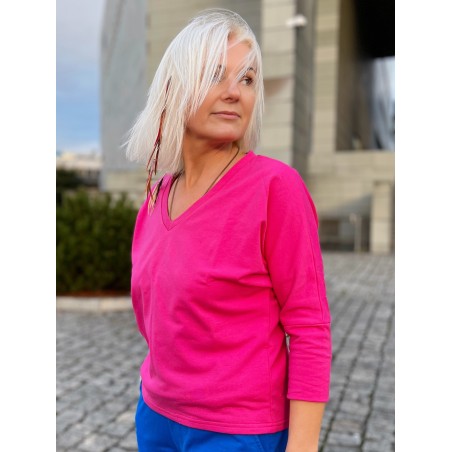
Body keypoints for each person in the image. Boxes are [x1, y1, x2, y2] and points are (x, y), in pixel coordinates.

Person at [126, 8, 331, 452]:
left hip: (238, 431)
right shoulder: (156, 198)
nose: (235, 92)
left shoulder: (275, 188)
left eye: (248, 79)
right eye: (216, 74)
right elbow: (156, 319)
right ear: (175, 86)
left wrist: (302, 446)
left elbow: (310, 328)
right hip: (156, 417)